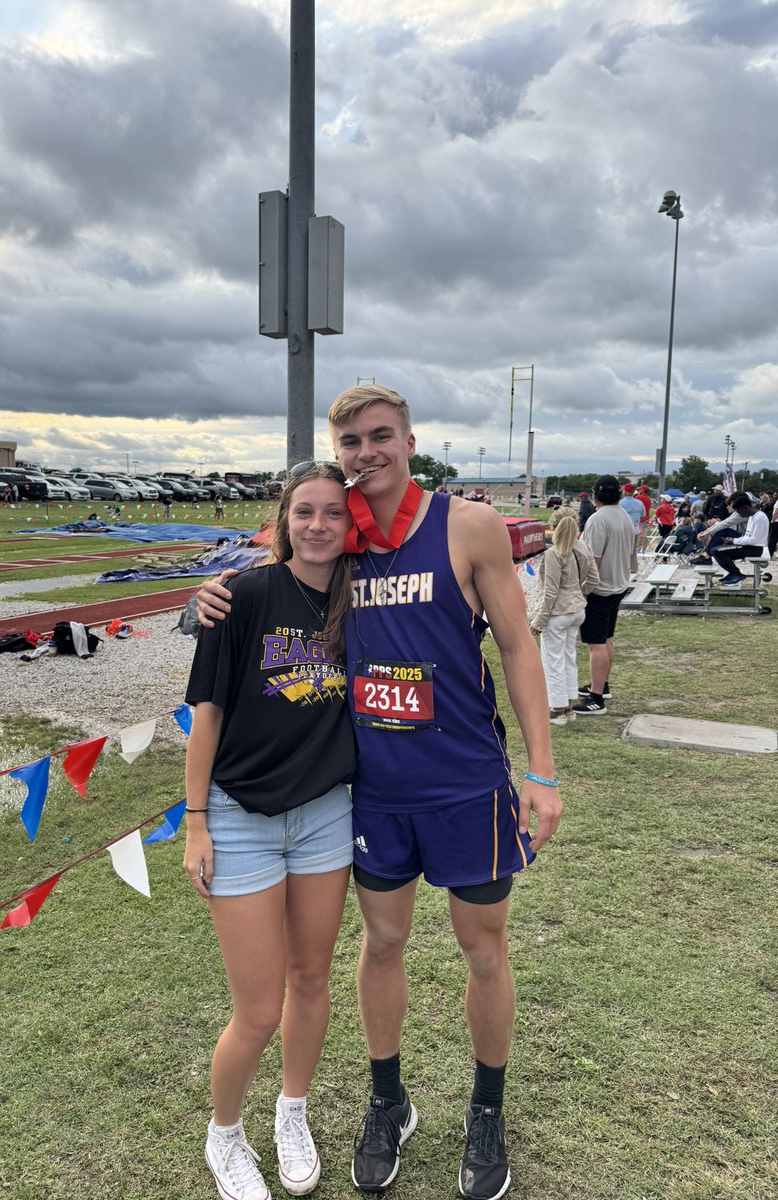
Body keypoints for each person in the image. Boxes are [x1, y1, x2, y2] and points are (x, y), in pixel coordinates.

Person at [197, 384, 562, 1200]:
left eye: (381, 437)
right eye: (352, 440)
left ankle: (487, 1109)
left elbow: (517, 646)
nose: (367, 453)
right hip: (371, 794)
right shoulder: (345, 537)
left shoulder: (466, 526)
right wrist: (209, 594)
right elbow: (276, 575)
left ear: (408, 439)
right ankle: (387, 1099)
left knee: (482, 948)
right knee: (384, 944)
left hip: (466, 785)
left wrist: (539, 770)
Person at [183, 464, 357, 1200]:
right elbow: (208, 714)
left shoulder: (364, 597)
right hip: (240, 817)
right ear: (283, 519)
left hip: (325, 815)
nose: (319, 526)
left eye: (334, 515)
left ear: (353, 526)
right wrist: (195, 820)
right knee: (256, 1010)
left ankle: (293, 1112)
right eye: (305, 512)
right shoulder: (245, 595)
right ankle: (224, 1136)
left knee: (311, 979)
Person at [528, 508, 599, 724]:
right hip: (576, 610)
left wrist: (538, 621)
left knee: (553, 661)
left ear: (553, 527)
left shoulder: (554, 553)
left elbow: (550, 592)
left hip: (558, 613)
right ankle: (568, 705)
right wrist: (579, 593)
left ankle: (558, 709)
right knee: (569, 658)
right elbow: (594, 579)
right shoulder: (582, 547)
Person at [573, 475, 635, 715]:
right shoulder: (624, 516)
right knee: (607, 638)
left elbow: (592, 560)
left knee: (596, 644)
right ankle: (602, 684)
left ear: (595, 494)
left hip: (600, 588)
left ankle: (596, 698)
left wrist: (580, 589)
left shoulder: (598, 520)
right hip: (618, 584)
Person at [710, 493, 770, 585]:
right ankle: (733, 573)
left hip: (754, 549)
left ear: (744, 508)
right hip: (749, 546)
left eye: (739, 511)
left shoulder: (759, 518)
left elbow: (754, 540)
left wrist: (734, 541)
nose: (740, 515)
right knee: (717, 550)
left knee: (717, 551)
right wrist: (732, 541)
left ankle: (737, 574)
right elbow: (748, 536)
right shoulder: (753, 516)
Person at [618, 484, 645, 574]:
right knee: (633, 552)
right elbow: (643, 515)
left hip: (623, 530)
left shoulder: (620, 503)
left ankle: (622, 570)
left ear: (624, 491)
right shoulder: (639, 503)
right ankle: (633, 570)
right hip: (635, 529)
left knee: (621, 551)